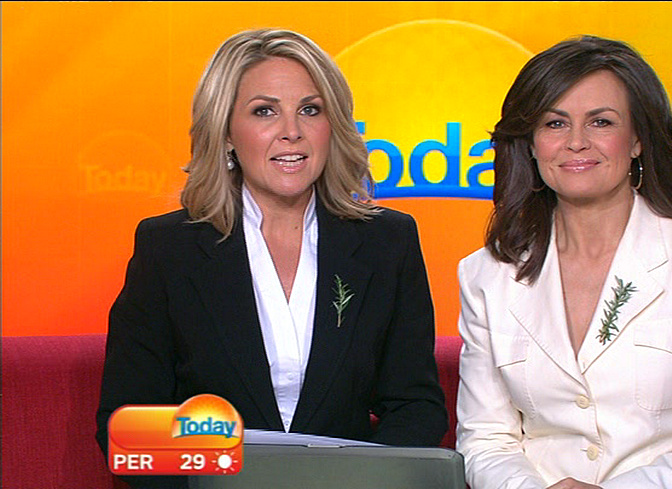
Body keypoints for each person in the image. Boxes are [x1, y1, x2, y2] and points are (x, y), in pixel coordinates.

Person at [96, 28, 448, 487]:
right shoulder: (169, 249)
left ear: (333, 126)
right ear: (226, 133)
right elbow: (129, 423)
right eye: (264, 111)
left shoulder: (387, 241)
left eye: (310, 110)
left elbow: (416, 406)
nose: (291, 131)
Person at [455, 35, 672, 489]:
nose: (576, 143)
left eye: (600, 122)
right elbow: (484, 439)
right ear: (531, 143)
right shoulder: (486, 274)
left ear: (638, 139)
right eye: (555, 124)